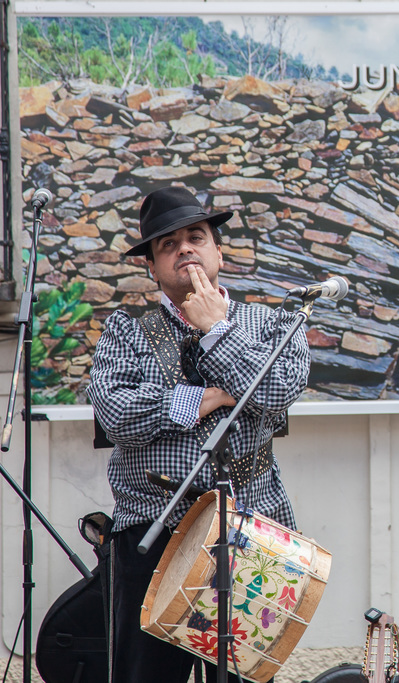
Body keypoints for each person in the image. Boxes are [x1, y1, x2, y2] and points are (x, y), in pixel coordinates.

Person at [88, 185, 310, 682]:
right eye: (168, 244)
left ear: (218, 252)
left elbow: (278, 391)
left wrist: (217, 331)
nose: (184, 248)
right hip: (152, 532)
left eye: (196, 237)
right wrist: (206, 398)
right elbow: (116, 412)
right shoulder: (126, 329)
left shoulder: (271, 323)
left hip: (252, 530)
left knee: (245, 675)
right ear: (151, 267)